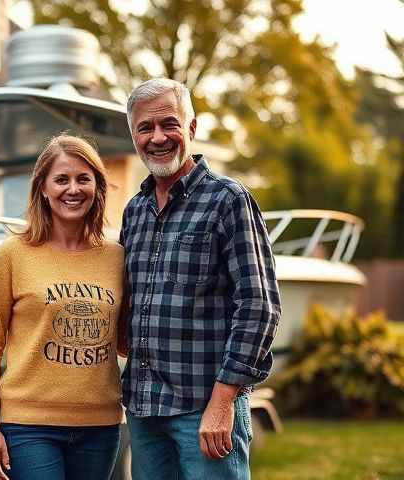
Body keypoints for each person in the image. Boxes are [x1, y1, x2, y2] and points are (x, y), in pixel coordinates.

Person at [118, 78, 280, 479]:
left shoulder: (228, 199)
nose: (158, 137)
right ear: (134, 136)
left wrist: (224, 400)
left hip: (205, 409)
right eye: (145, 128)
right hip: (144, 410)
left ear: (191, 128)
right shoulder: (134, 210)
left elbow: (259, 306)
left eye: (168, 124)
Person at [0, 134, 124, 480]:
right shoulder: (12, 254)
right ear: (42, 187)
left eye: (83, 179)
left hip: (100, 425)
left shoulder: (116, 256)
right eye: (62, 179)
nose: (73, 189)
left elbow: (125, 338)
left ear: (97, 187)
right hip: (29, 426)